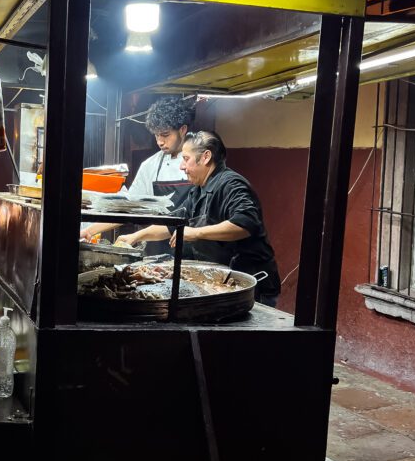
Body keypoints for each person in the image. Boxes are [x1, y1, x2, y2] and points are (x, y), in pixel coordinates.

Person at [119, 131, 281, 305]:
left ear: (205, 157)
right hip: (224, 284)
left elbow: (245, 224)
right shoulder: (197, 190)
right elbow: (173, 225)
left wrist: (196, 233)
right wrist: (135, 237)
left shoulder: (232, 185)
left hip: (252, 287)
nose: (182, 166)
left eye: (186, 159)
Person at [80, 95, 195, 242]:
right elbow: (128, 207)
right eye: (156, 135)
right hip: (156, 248)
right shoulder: (151, 165)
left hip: (192, 248)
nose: (160, 141)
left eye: (165, 135)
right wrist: (88, 230)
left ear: (182, 130)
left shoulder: (197, 164)